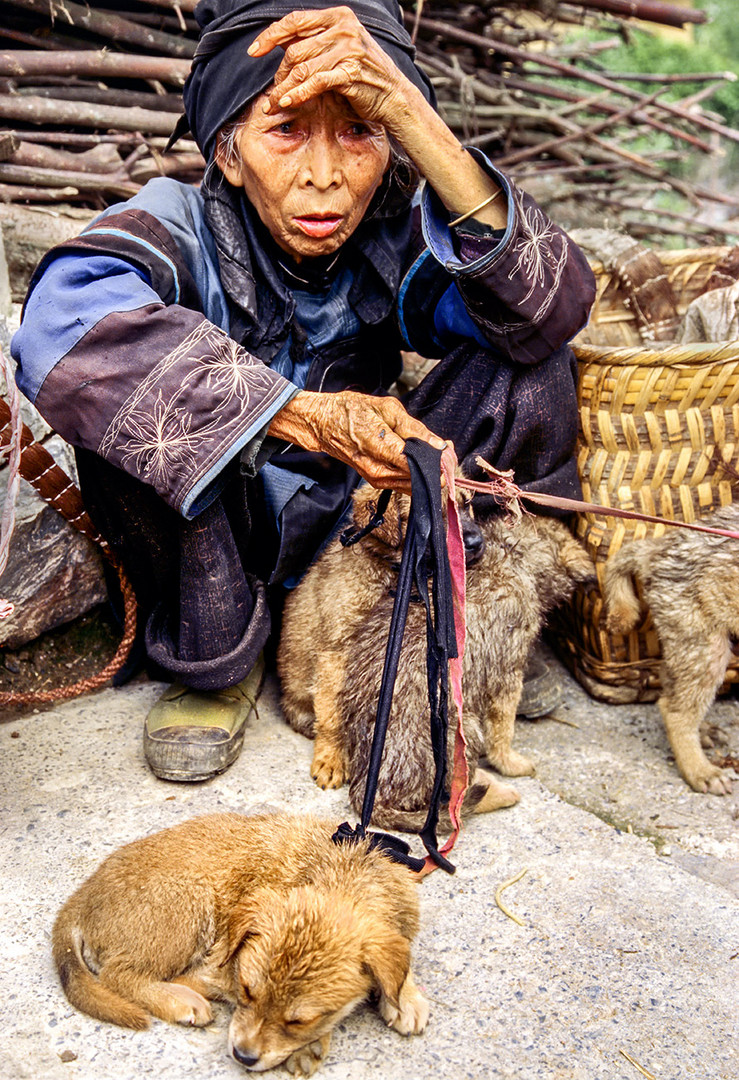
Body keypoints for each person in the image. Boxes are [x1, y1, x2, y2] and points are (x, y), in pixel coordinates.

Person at [12, 0, 595, 782]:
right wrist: (304, 417)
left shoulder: (394, 239)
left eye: (358, 133)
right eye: (285, 131)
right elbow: (60, 331)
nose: (323, 177)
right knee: (123, 405)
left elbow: (549, 308)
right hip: (219, 540)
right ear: (227, 152)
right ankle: (221, 661)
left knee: (530, 356)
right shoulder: (171, 222)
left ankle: (464, 620)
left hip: (356, 532)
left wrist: (410, 118)